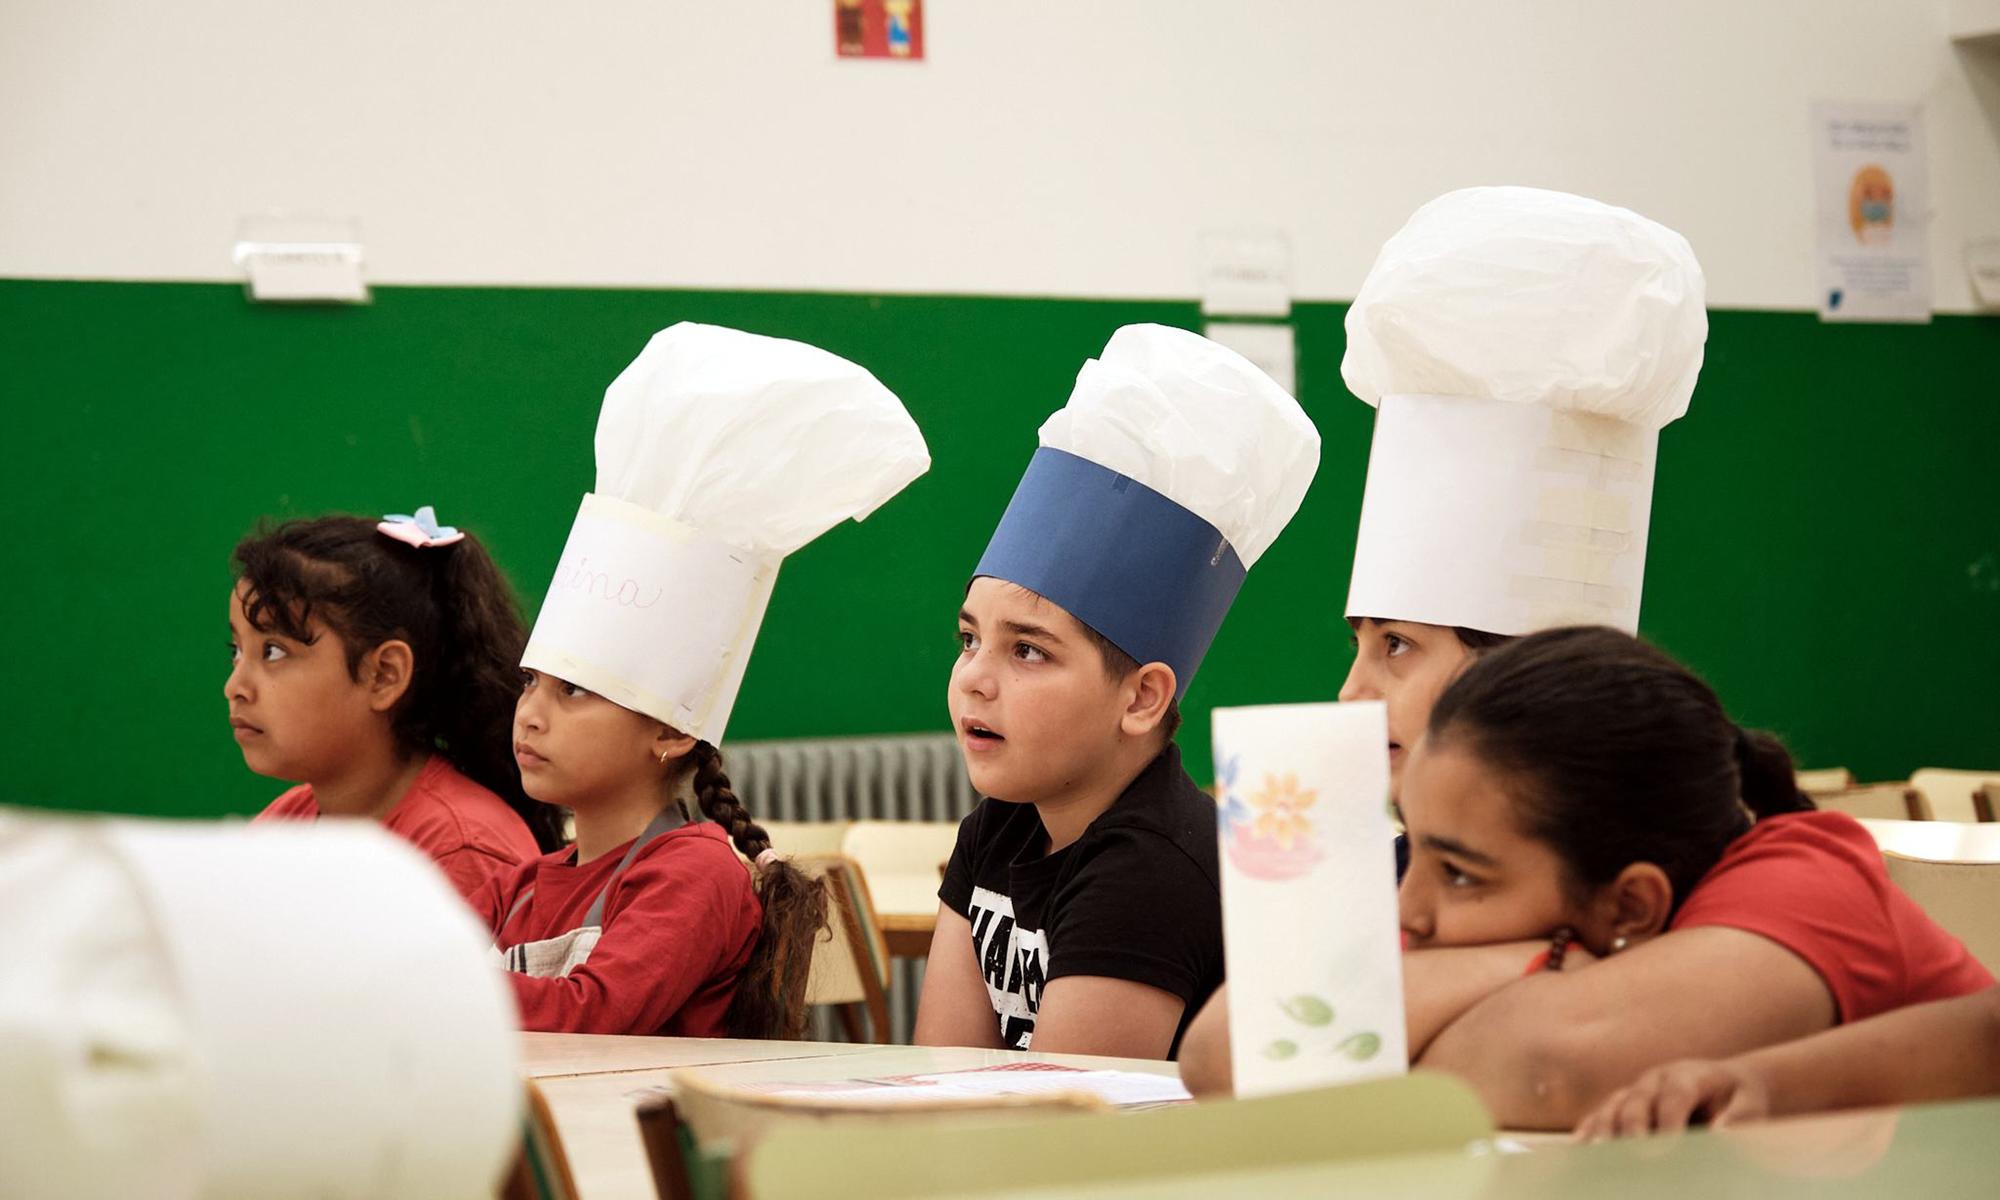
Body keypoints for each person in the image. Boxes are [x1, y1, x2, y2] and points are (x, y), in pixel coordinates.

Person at [476, 322, 930, 1036]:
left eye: (573, 691)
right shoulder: (520, 887)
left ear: (669, 731)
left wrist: (430, 993)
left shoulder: (694, 874)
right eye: (532, 682)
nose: (530, 713)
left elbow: (589, 1015)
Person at [913, 323, 1320, 1060]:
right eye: (969, 638)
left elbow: (1068, 1138)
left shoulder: (1151, 871)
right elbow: (943, 1074)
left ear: (1141, 699)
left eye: (1028, 651)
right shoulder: (999, 827)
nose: (974, 675)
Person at [230, 507, 562, 901]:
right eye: (235, 651)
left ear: (384, 674)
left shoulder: (462, 853)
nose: (235, 686)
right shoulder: (288, 820)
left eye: (273, 651)